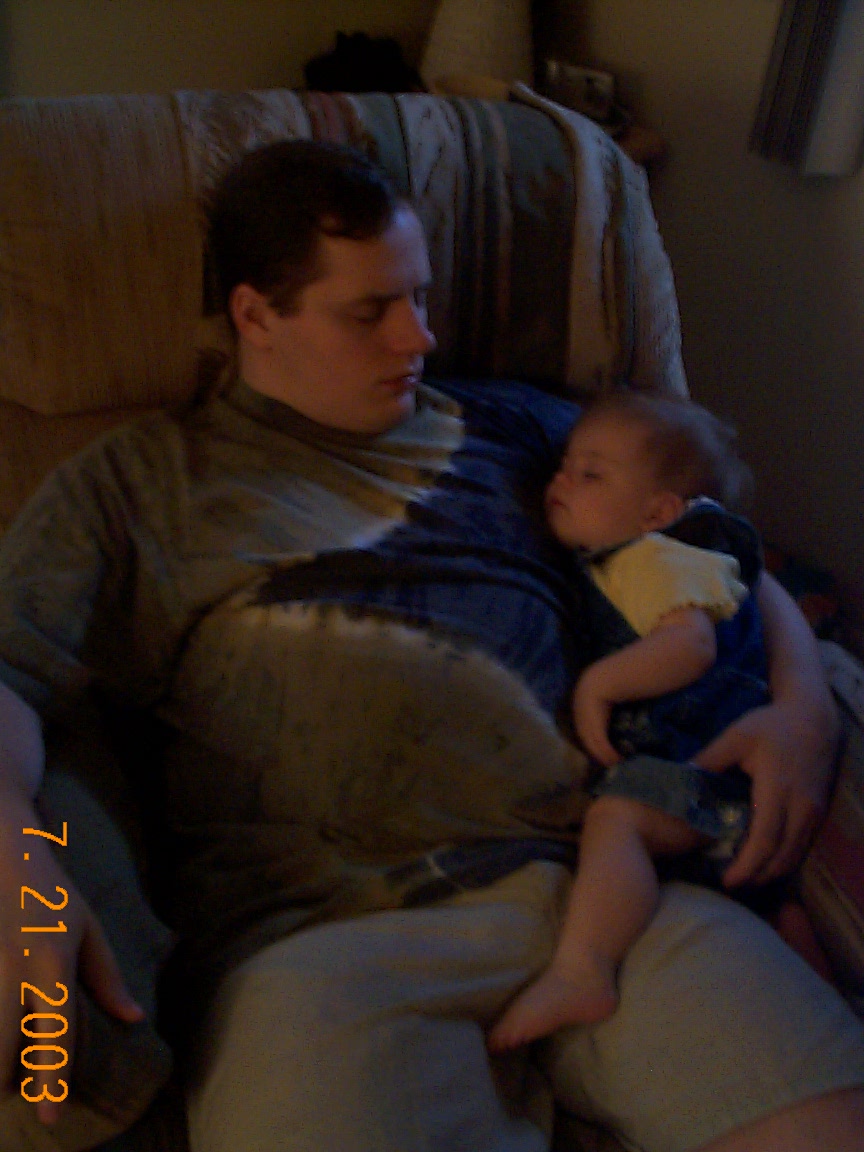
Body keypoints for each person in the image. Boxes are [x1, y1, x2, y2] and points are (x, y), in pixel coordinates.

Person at [1, 139, 863, 1152]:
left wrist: (801, 708)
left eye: (419, 295)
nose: (420, 335)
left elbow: (710, 543)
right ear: (256, 315)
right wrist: (17, 853)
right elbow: (9, 669)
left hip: (603, 892)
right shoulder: (136, 483)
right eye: (370, 310)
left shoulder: (526, 429)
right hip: (327, 948)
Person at [489, 391, 770, 1050]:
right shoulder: (627, 563)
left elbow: (690, 645)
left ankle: (583, 971)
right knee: (779, 917)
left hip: (705, 775)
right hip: (700, 781)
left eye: (590, 475)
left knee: (616, 820)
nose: (561, 481)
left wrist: (599, 686)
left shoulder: (656, 559)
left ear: (657, 514)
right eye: (565, 466)